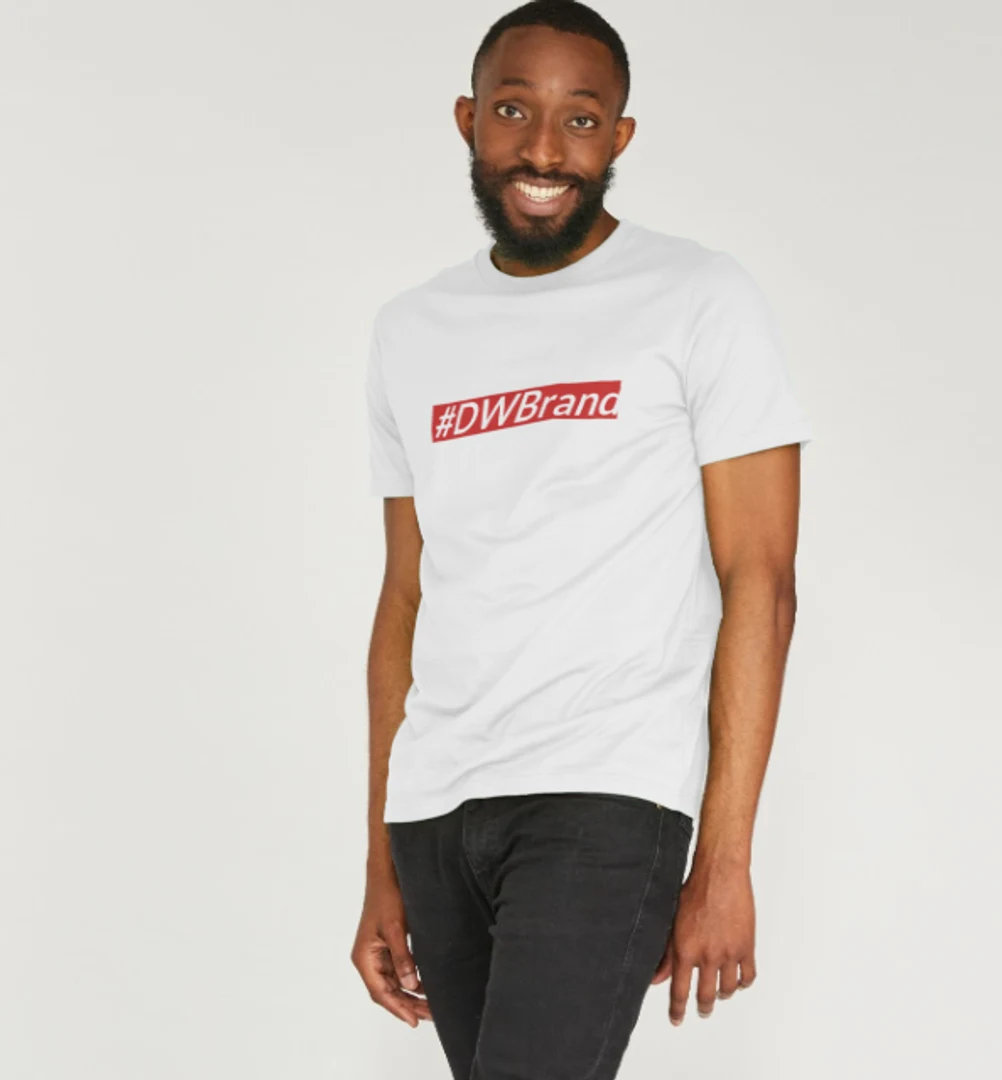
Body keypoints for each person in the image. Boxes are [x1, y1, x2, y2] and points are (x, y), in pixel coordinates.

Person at [351, 3, 814, 1077]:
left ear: (621, 137)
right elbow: (405, 596)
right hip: (437, 811)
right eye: (515, 110)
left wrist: (725, 859)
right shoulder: (410, 329)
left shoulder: (698, 297)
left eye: (582, 119)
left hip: (604, 796)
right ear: (468, 119)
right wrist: (380, 859)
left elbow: (761, 579)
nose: (546, 150)